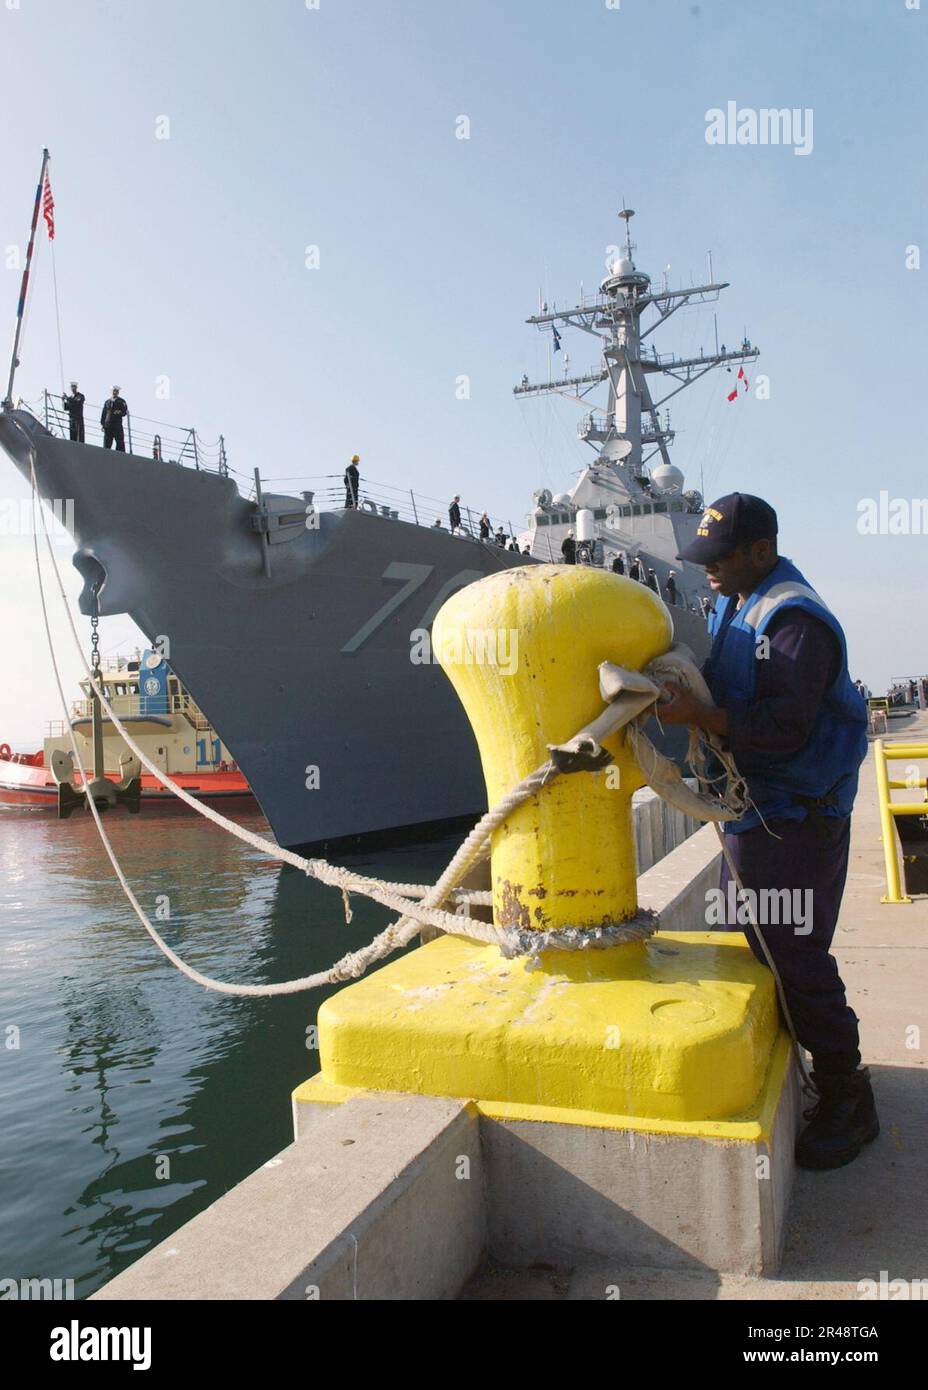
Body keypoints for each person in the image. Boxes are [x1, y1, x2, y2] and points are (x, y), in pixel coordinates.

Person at [660, 492, 874, 1171]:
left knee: (796, 955)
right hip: (755, 812)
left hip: (795, 818)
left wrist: (699, 716)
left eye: (720, 559)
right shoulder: (733, 599)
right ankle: (793, 1065)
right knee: (751, 941)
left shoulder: (794, 624)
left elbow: (786, 730)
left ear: (760, 550)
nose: (709, 572)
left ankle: (848, 1093)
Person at [101, 386, 128, 451]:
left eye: (116, 391)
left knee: (120, 442)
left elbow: (124, 412)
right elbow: (104, 413)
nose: (115, 392)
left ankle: (120, 456)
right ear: (111, 391)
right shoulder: (107, 402)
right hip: (108, 425)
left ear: (118, 392)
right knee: (107, 443)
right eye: (114, 391)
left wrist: (119, 412)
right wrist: (103, 424)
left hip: (117, 425)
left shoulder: (121, 401)